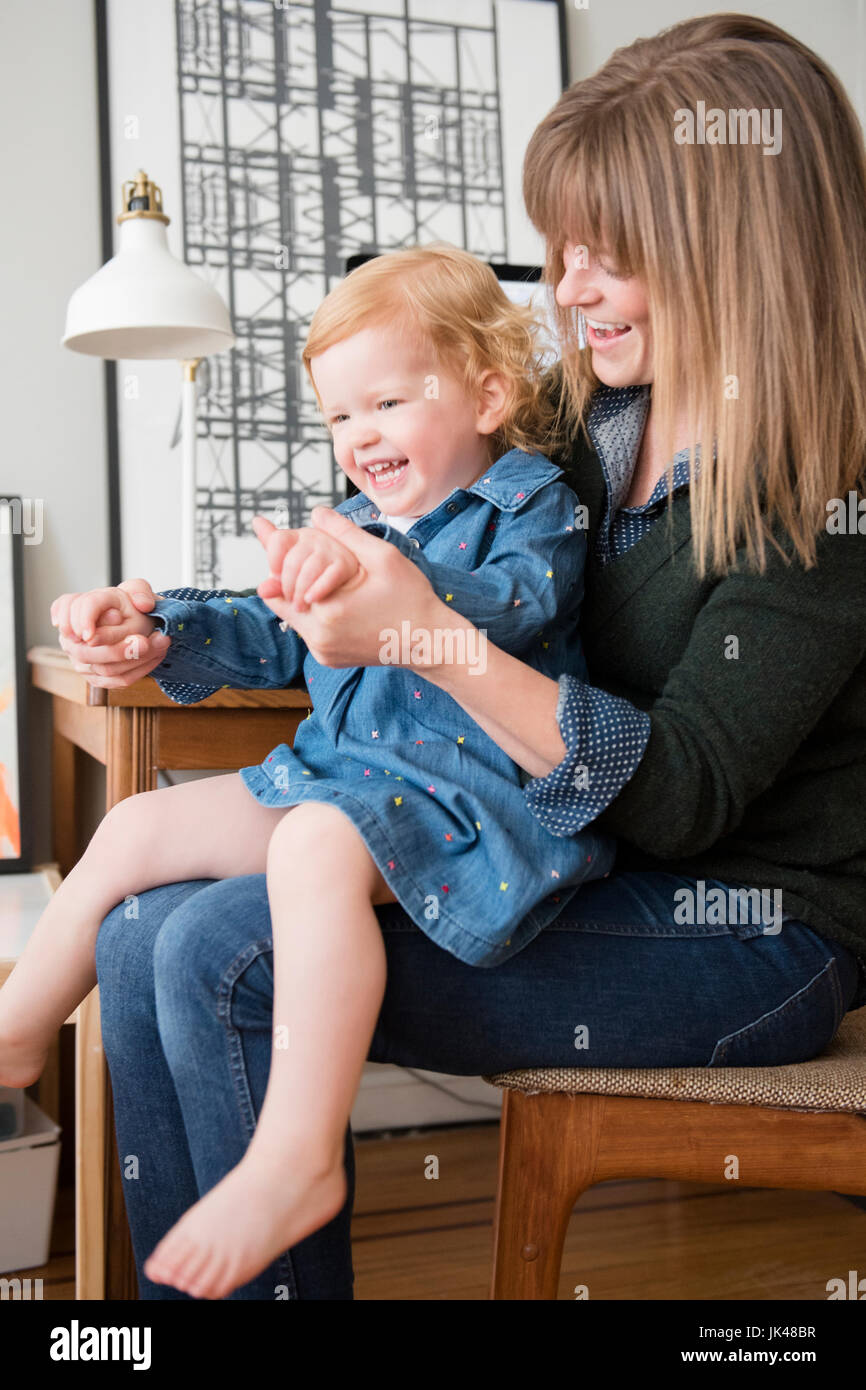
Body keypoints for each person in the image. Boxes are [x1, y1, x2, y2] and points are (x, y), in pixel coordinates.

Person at [33, 13, 866, 1299]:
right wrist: (174, 628)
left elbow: (685, 801)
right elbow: (406, 508)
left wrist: (418, 632)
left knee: (212, 951)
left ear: (729, 248)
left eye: (609, 255)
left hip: (751, 930)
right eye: (562, 250)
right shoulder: (585, 424)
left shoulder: (823, 494)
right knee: (143, 926)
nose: (569, 288)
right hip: (565, 855)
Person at [0, 244, 618, 1298]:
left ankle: (296, 1154)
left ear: (486, 392)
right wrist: (158, 628)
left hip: (462, 803)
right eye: (339, 415)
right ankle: (17, 1039)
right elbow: (270, 629)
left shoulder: (534, 509)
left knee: (313, 845)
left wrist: (386, 582)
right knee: (139, 832)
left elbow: (511, 606)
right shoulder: (362, 520)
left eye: (386, 399)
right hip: (337, 774)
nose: (360, 433)